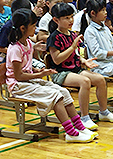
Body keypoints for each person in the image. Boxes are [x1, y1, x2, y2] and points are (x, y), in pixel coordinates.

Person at [5, 8, 95, 143]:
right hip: (17, 86)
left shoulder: (29, 43)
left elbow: (26, 69)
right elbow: (18, 76)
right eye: (33, 26)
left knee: (63, 92)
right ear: (23, 28)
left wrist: (37, 71)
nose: (35, 29)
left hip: (28, 81)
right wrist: (40, 74)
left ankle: (79, 126)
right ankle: (71, 132)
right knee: (56, 96)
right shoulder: (15, 48)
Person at [47, 2, 113, 130]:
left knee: (99, 79)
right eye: (66, 18)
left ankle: (103, 112)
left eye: (71, 16)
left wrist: (83, 60)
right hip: (60, 73)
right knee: (85, 82)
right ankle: (85, 117)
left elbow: (75, 54)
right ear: (56, 20)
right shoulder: (54, 37)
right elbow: (57, 60)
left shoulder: (72, 34)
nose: (71, 20)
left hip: (75, 69)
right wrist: (72, 47)